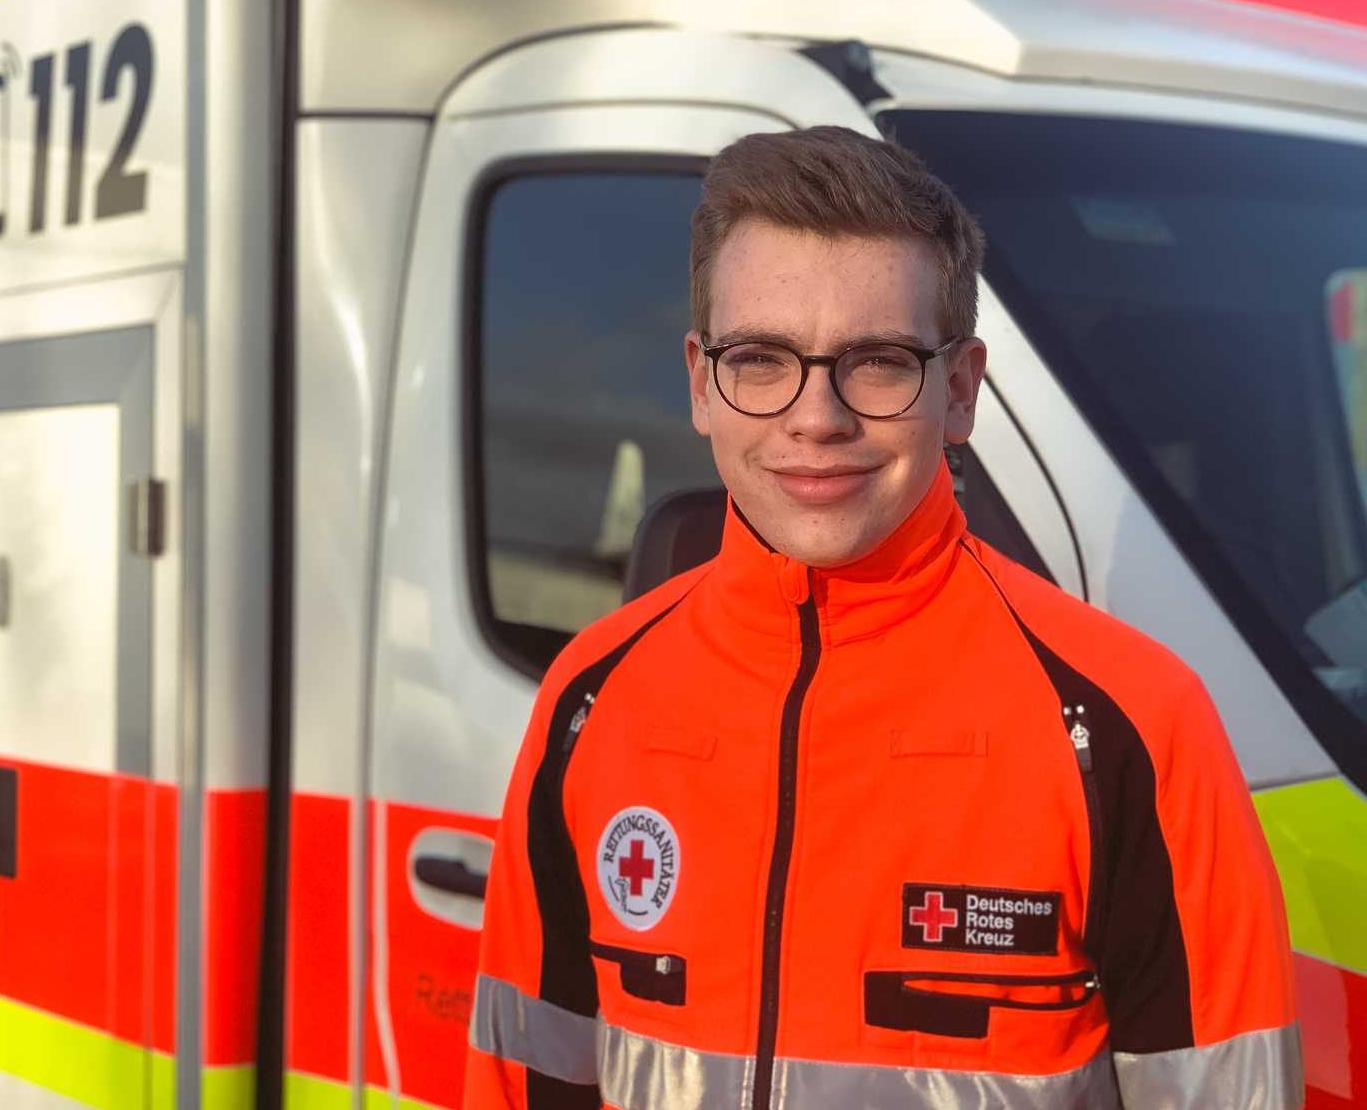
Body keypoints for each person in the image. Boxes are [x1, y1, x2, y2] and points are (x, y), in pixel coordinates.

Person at [463, 126, 1300, 1110]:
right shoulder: (591, 697)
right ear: (700, 380)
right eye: (762, 359)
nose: (816, 417)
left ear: (957, 388)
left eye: (877, 362)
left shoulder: (1131, 726)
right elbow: (525, 1083)